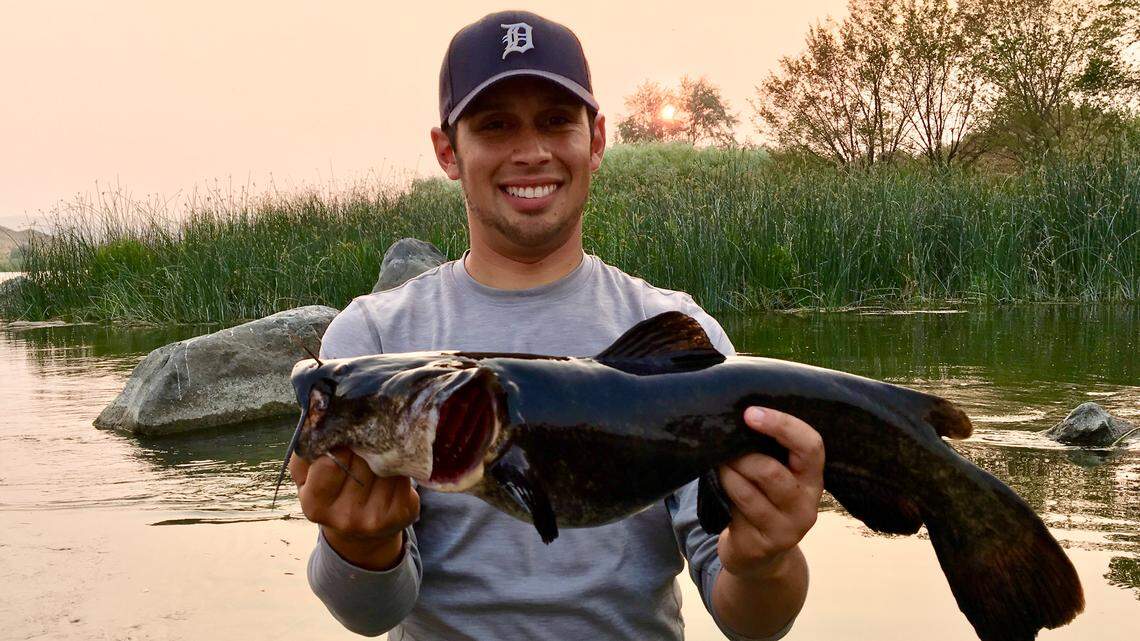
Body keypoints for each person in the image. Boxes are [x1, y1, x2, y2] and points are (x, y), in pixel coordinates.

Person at [288, 10, 824, 641]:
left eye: (555, 121)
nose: (531, 151)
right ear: (447, 151)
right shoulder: (371, 342)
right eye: (494, 126)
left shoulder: (677, 333)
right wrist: (360, 542)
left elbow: (749, 621)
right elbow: (370, 614)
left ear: (595, 138)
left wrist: (767, 558)